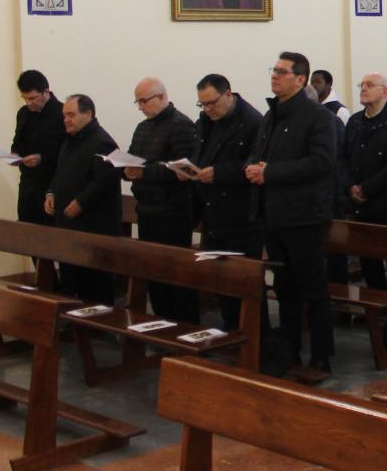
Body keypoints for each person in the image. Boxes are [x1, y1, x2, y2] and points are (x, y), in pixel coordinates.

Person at [247, 52, 337, 375]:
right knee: (284, 288)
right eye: (274, 70)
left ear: (300, 79)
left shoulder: (318, 116)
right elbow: (259, 153)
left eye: (282, 72)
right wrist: (253, 167)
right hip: (273, 214)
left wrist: (269, 172)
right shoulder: (271, 115)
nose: (275, 75)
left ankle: (322, 355)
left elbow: (321, 162)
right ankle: (290, 350)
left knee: (313, 289)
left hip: (304, 216)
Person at [185, 74, 263, 330]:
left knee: (244, 282)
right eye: (202, 104)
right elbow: (200, 153)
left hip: (241, 215)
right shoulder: (206, 121)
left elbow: (254, 165)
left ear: (228, 95)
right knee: (223, 281)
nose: (207, 109)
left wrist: (218, 173)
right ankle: (231, 330)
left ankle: (254, 336)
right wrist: (190, 169)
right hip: (213, 212)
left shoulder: (253, 122)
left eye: (212, 103)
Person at [126, 77, 200, 323]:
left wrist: (144, 173)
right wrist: (125, 168)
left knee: (176, 275)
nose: (140, 107)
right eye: (137, 102)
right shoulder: (142, 127)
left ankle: (185, 327)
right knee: (154, 274)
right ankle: (162, 324)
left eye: (144, 101)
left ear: (161, 97)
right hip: (146, 209)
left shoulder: (182, 125)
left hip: (173, 211)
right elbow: (135, 159)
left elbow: (185, 170)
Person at [340, 73, 387, 292]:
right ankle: (375, 307)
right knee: (368, 265)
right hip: (361, 207)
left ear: (384, 91)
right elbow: (342, 157)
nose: (363, 88)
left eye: (370, 85)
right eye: (361, 84)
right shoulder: (355, 121)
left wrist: (366, 188)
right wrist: (349, 186)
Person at [45, 94, 122, 304]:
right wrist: (51, 192)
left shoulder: (103, 142)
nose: (66, 120)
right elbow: (60, 172)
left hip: (93, 225)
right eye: (64, 116)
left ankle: (100, 321)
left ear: (88, 114)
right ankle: (72, 318)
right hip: (69, 224)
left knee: (94, 286)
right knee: (70, 281)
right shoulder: (69, 140)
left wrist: (81, 202)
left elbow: (106, 179)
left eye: (71, 115)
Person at [10, 70, 65, 226]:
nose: (28, 103)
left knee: (50, 232)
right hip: (28, 183)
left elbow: (67, 152)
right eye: (24, 98)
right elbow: (18, 141)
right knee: (26, 230)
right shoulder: (23, 113)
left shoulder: (62, 114)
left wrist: (42, 158)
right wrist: (14, 155)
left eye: (33, 98)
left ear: (46, 92)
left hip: (51, 184)